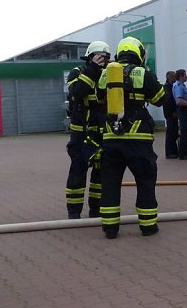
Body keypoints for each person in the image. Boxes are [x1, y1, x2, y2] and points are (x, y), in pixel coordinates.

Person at [97, 36, 165, 239]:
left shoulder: (105, 73)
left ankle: (110, 228)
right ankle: (148, 226)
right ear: (140, 54)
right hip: (138, 140)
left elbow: (99, 99)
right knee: (145, 182)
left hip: (111, 138)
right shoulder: (143, 73)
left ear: (119, 53)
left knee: (109, 183)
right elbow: (160, 99)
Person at [65, 41, 110, 219]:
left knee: (100, 175)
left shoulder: (109, 73)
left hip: (102, 133)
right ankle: (74, 212)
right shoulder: (77, 72)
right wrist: (92, 70)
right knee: (77, 172)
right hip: (81, 134)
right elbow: (76, 93)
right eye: (98, 56)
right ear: (89, 57)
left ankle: (96, 211)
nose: (101, 60)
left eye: (105, 57)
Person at [173, 69, 187, 160]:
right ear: (180, 76)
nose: (186, 76)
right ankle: (183, 153)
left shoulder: (182, 85)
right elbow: (179, 101)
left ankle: (186, 151)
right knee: (185, 132)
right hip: (184, 110)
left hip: (185, 110)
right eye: (185, 75)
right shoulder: (178, 86)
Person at [162, 71, 179, 159]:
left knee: (174, 133)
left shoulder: (171, 86)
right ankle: (169, 153)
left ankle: (174, 151)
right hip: (170, 114)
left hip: (173, 113)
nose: (175, 78)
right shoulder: (166, 87)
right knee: (171, 133)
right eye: (173, 76)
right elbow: (167, 102)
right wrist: (172, 112)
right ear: (169, 77)